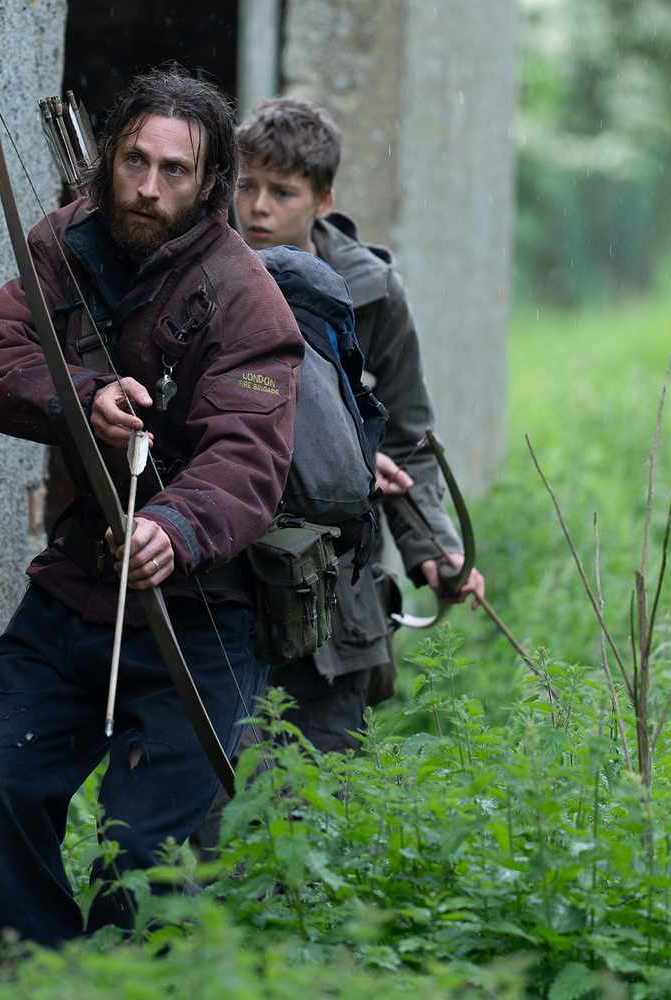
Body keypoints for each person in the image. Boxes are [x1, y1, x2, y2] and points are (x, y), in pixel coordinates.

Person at [0, 69, 304, 947]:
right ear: (110, 158)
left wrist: (171, 529)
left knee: (144, 861)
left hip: (200, 615)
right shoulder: (63, 242)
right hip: (77, 585)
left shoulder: (245, 296)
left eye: (173, 170)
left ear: (209, 182)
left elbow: (248, 456)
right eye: (134, 161)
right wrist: (81, 394)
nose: (148, 187)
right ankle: (36, 975)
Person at [233, 97, 487, 752]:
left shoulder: (371, 293)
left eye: (282, 192)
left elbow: (407, 439)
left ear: (323, 199)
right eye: (246, 185)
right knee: (223, 781)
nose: (258, 208)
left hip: (335, 576)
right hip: (227, 562)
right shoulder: (206, 277)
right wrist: (337, 453)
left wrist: (437, 549)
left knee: (324, 776)